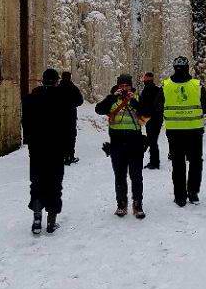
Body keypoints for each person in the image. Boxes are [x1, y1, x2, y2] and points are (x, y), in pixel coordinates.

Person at [157, 56, 206, 207]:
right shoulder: (197, 85)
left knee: (178, 163)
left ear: (174, 68)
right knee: (195, 162)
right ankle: (193, 193)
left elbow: (158, 106)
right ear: (188, 68)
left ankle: (180, 197)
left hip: (174, 131)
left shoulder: (166, 86)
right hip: (194, 130)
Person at [21, 68, 71, 235]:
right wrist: (67, 147)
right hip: (56, 147)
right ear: (57, 81)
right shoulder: (62, 98)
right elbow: (68, 123)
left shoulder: (31, 98)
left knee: (37, 181)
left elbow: (25, 122)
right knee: (55, 182)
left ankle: (37, 217)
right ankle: (51, 220)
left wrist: (30, 139)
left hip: (37, 147)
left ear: (42, 81)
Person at [95, 74, 147, 219]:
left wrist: (133, 101)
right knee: (119, 175)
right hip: (117, 142)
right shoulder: (112, 99)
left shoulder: (136, 98)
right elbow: (99, 109)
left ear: (131, 86)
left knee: (136, 175)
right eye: (121, 86)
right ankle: (121, 204)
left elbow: (147, 112)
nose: (124, 88)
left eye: (127, 86)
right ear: (118, 86)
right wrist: (112, 97)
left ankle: (137, 205)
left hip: (135, 141)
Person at [139, 72, 162, 170]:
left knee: (152, 140)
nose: (143, 79)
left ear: (147, 79)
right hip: (158, 118)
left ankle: (154, 162)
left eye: (144, 78)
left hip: (150, 118)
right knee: (153, 139)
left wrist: (141, 116)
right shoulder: (158, 90)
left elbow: (143, 105)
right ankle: (153, 160)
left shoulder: (146, 90)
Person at [60, 71, 84, 165]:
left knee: (61, 136)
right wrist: (72, 105)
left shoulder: (57, 88)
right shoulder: (73, 88)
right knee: (70, 136)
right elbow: (80, 101)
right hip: (70, 116)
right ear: (70, 77)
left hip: (59, 117)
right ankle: (70, 156)